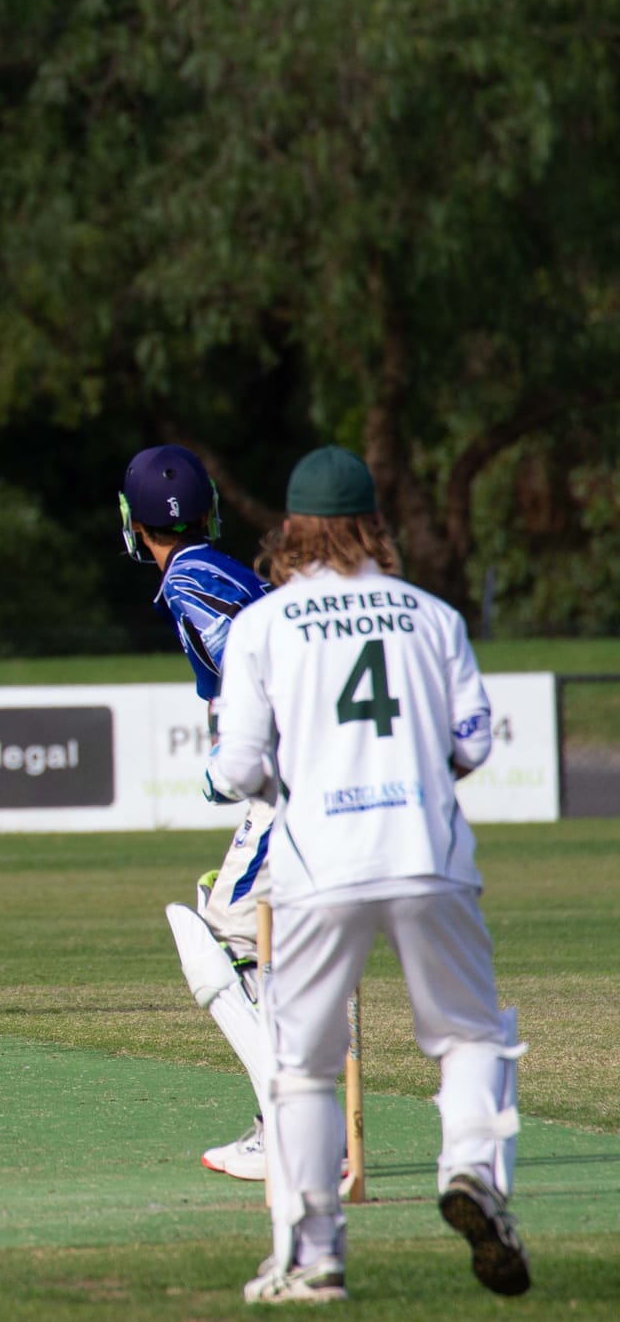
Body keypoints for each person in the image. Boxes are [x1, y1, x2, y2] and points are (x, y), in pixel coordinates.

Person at [214, 446, 528, 1303]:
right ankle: (470, 1167)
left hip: (319, 863)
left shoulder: (264, 623)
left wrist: (291, 777)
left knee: (303, 1063)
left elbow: (239, 766)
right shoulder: (433, 616)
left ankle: (314, 1255)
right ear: (373, 526)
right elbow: (473, 743)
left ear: (292, 529)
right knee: (470, 1033)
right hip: (431, 851)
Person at [120, 447, 278, 1181]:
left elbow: (246, 660)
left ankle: (288, 1119)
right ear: (211, 511)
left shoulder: (189, 580)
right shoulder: (225, 570)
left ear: (131, 524)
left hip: (288, 784)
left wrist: (227, 767)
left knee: (219, 935)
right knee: (266, 936)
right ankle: (300, 1117)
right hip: (296, 780)